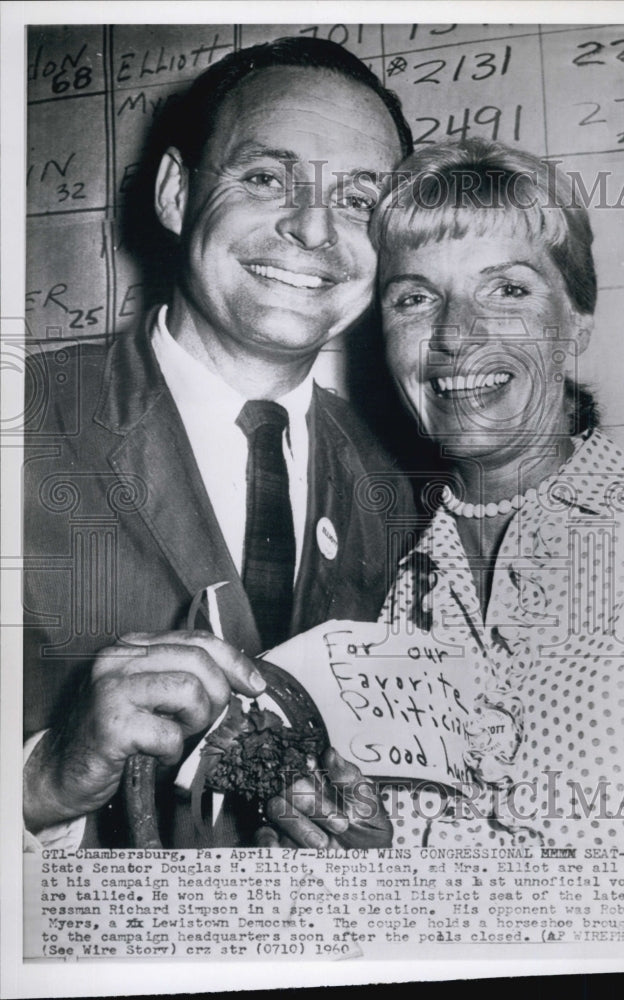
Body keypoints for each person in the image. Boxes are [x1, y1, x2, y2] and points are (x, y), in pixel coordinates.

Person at [22, 37, 415, 850]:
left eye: (357, 198)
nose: (313, 227)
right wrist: (41, 783)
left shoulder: (394, 486)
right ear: (174, 193)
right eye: (266, 177)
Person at [275, 138, 624, 852]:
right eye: (416, 299)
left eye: (507, 289)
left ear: (576, 320)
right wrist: (368, 853)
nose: (455, 335)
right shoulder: (390, 595)